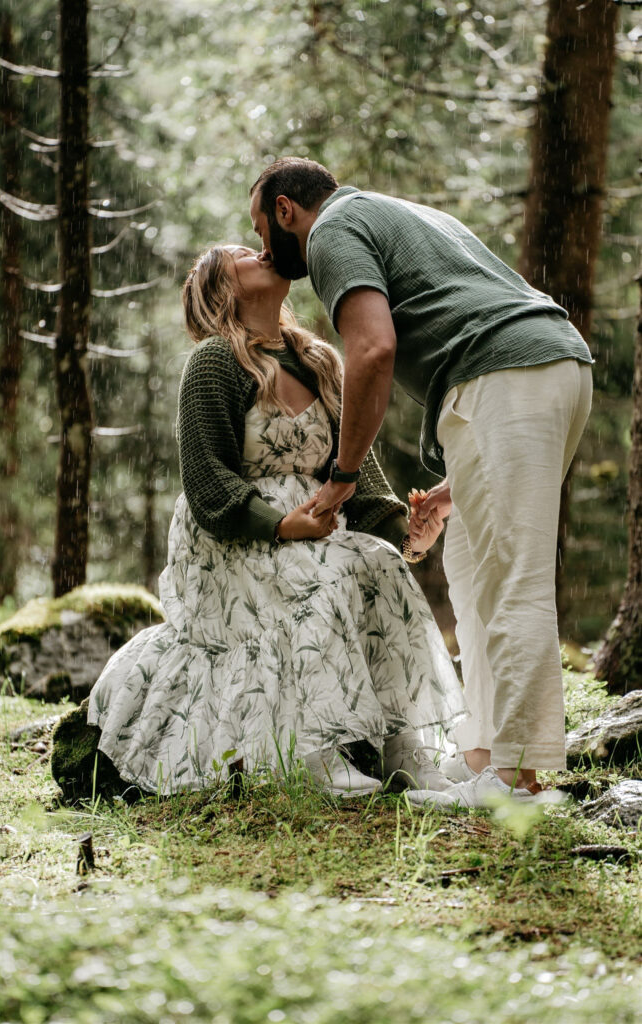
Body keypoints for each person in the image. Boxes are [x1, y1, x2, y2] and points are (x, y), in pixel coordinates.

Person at [249, 157, 593, 806]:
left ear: (285, 210)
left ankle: (518, 781)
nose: (265, 247)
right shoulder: (401, 212)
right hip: (534, 368)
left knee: (509, 575)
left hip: (507, 374)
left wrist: (343, 476)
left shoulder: (330, 230)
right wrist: (453, 486)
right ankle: (485, 754)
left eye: (261, 227)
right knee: (468, 564)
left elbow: (372, 349)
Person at [86, 243, 467, 797]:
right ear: (223, 287)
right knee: (316, 577)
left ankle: (403, 746)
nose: (261, 250)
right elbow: (205, 477)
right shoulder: (215, 361)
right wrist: (282, 526)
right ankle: (316, 751)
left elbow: (359, 471)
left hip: (319, 526)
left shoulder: (318, 360)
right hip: (234, 535)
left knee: (382, 565)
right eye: (241, 253)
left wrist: (409, 537)